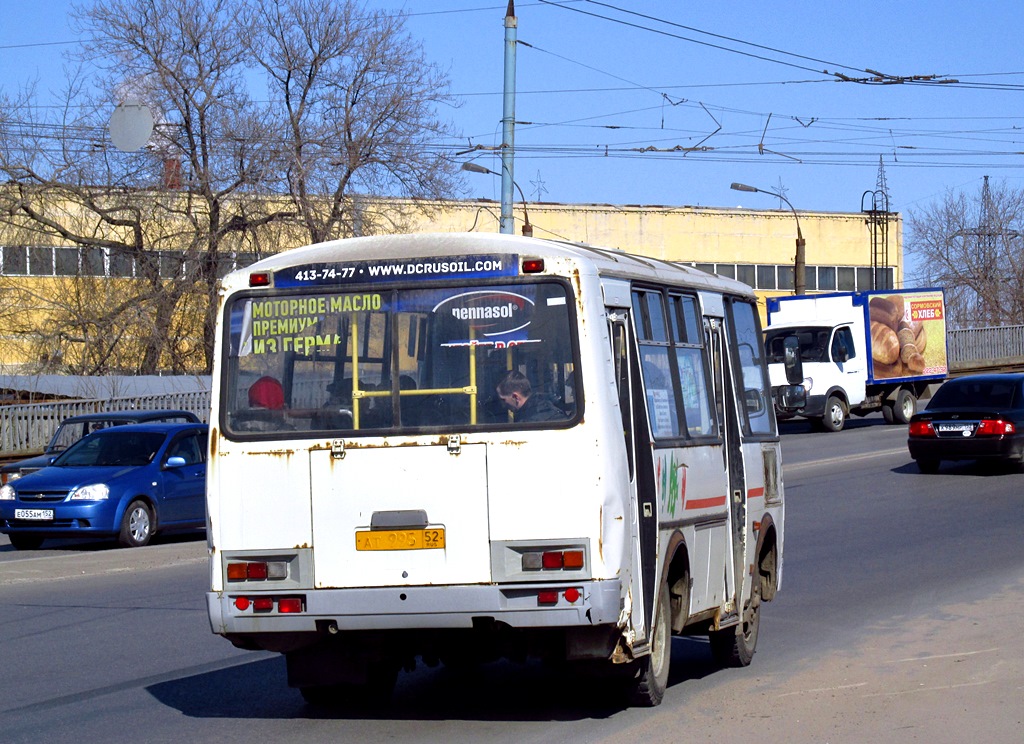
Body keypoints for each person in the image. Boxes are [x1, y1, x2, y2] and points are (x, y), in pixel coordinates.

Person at [495, 370, 566, 423]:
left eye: (503, 400)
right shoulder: (544, 406)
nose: (503, 405)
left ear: (515, 397)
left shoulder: (530, 421)